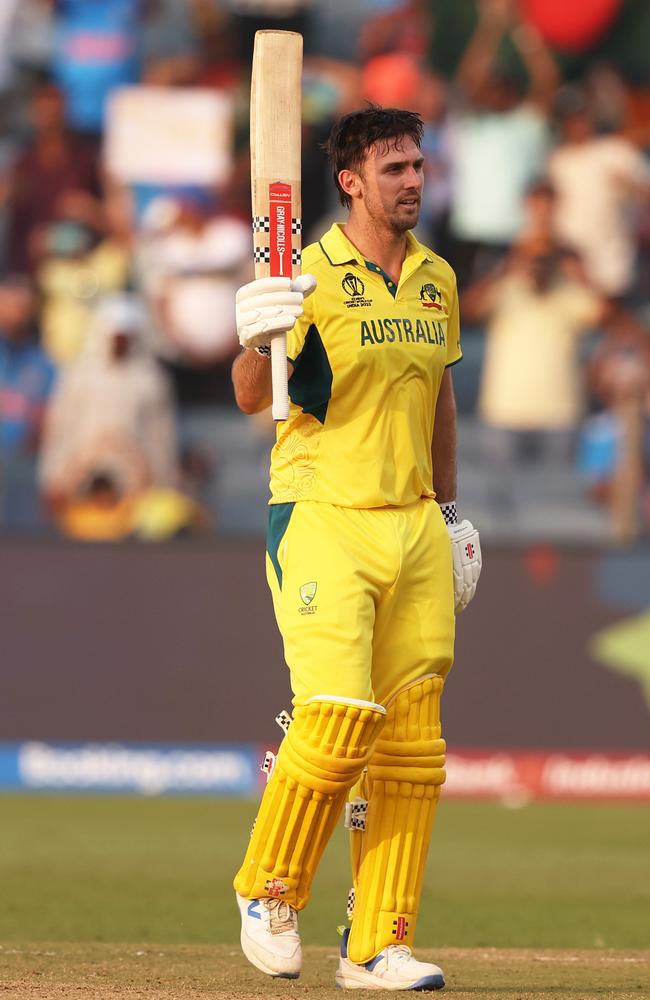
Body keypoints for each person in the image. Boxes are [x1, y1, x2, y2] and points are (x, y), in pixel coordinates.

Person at [230, 106, 482, 991]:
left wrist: (450, 517)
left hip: (412, 522)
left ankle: (377, 943)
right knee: (336, 718)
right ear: (351, 182)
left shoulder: (437, 279)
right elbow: (251, 393)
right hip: (323, 512)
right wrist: (255, 329)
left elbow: (441, 404)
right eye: (394, 169)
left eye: (419, 165)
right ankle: (269, 890)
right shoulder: (305, 275)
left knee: (413, 748)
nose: (413, 181)